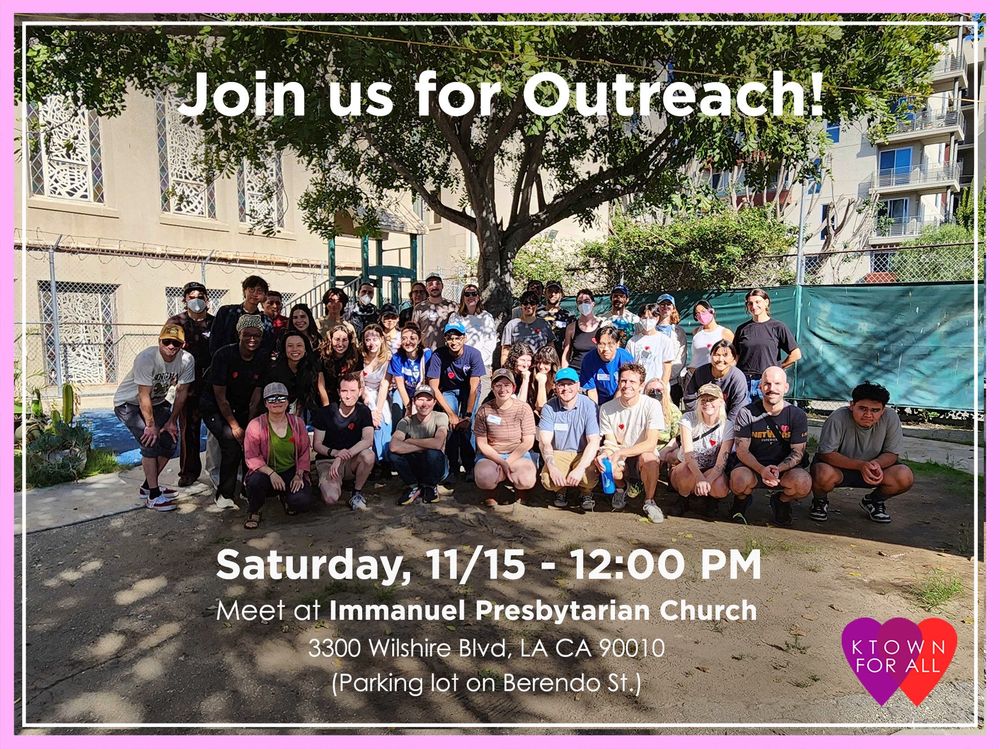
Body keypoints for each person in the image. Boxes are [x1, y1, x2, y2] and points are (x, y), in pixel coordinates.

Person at [113, 323, 195, 511]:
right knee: (150, 440)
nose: (171, 346)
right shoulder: (146, 358)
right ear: (159, 341)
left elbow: (182, 392)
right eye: (167, 342)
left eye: (176, 343)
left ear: (182, 344)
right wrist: (150, 425)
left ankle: (147, 487)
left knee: (170, 442)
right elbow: (143, 395)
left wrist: (172, 421)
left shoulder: (187, 360)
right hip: (129, 403)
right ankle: (154, 495)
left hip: (157, 402)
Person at [810, 381, 914, 524]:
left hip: (874, 469)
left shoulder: (891, 417)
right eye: (862, 408)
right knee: (821, 472)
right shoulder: (838, 417)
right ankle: (820, 501)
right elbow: (826, 453)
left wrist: (875, 464)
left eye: (875, 410)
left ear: (883, 410)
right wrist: (860, 465)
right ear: (852, 405)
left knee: (904, 476)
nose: (868, 414)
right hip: (839, 469)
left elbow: (892, 453)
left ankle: (874, 501)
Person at [201, 315, 270, 509]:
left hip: (242, 405)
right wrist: (235, 426)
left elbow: (256, 395)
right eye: (247, 334)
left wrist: (249, 426)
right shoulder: (223, 355)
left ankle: (246, 487)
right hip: (215, 406)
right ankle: (224, 494)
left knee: (251, 441)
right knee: (231, 443)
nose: (252, 339)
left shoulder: (261, 357)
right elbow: (220, 398)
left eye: (256, 335)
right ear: (239, 334)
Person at [729, 366, 812, 527]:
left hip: (784, 469)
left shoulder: (797, 415)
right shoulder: (746, 413)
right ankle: (741, 501)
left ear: (786, 387)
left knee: (803, 483)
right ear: (760, 387)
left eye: (777, 384)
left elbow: (798, 452)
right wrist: (762, 470)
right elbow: (742, 450)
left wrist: (778, 469)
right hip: (752, 467)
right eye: (766, 384)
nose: (771, 388)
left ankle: (781, 501)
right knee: (738, 481)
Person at [596, 362, 666, 523]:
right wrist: (606, 454)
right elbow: (610, 442)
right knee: (607, 463)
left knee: (650, 460)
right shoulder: (606, 408)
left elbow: (651, 443)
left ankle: (649, 501)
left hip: (641, 452)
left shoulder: (652, 405)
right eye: (623, 381)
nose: (627, 385)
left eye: (632, 382)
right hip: (619, 452)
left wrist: (621, 452)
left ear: (641, 386)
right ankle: (621, 490)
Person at [241, 382, 312, 530]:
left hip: (290, 470)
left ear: (287, 402)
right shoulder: (255, 425)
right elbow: (251, 457)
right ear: (265, 403)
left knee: (302, 501)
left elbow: (305, 451)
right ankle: (254, 511)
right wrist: (271, 473)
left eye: (281, 398)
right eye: (272, 399)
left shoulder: (297, 423)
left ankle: (286, 497)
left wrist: (299, 475)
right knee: (255, 482)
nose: (277, 402)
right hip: (266, 472)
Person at [165, 281, 215, 487]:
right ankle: (188, 471)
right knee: (188, 429)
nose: (197, 301)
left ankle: (218, 470)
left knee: (217, 429)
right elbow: (167, 349)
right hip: (187, 384)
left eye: (201, 297)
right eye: (192, 297)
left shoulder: (215, 322)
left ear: (207, 300)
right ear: (184, 300)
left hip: (212, 384)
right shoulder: (176, 322)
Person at [427, 321, 486, 483]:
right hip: (447, 390)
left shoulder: (473, 354)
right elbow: (434, 387)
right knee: (451, 425)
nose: (454, 342)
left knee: (469, 425)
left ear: (464, 339)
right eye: (450, 338)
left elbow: (474, 387)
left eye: (457, 338)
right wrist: (451, 414)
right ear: (445, 339)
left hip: (468, 390)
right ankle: (452, 467)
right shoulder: (438, 355)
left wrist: (467, 414)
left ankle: (470, 465)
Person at [537, 368, 601, 510]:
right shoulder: (549, 407)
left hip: (583, 452)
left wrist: (580, 469)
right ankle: (561, 490)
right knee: (548, 480)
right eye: (561, 384)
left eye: (570, 384)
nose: (566, 388)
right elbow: (545, 442)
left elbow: (594, 441)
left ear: (578, 385)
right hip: (559, 452)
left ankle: (586, 492)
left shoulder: (589, 405)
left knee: (588, 477)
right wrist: (552, 467)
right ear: (555, 386)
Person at [473, 368, 538, 508]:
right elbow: (481, 443)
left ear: (513, 387)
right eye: (498, 385)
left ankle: (520, 491)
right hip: (491, 454)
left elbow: (528, 441)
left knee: (526, 478)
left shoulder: (524, 408)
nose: (503, 389)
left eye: (507, 385)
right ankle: (491, 493)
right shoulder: (484, 410)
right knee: (484, 477)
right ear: (492, 387)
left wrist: (507, 462)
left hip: (517, 453)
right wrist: (500, 462)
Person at [312, 373, 375, 511]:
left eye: (353, 391)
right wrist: (335, 453)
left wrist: (342, 456)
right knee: (331, 498)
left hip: (352, 460)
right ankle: (327, 483)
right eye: (344, 391)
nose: (348, 395)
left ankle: (356, 492)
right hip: (328, 461)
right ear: (338, 392)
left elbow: (368, 440)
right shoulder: (325, 413)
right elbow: (317, 444)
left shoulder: (364, 411)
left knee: (369, 456)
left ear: (360, 392)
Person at [669, 383, 734, 511]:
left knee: (721, 487)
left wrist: (707, 481)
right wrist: (699, 478)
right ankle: (683, 498)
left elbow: (722, 461)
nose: (707, 403)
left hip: (710, 468)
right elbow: (688, 454)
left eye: (711, 399)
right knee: (686, 470)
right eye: (703, 400)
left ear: (721, 401)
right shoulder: (688, 419)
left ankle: (710, 499)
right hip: (687, 467)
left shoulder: (728, 425)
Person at [733, 288, 802, 400]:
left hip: (766, 383)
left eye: (757, 302)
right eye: (750, 303)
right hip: (743, 382)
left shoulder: (778, 327)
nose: (754, 306)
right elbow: (735, 356)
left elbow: (796, 354)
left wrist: (779, 368)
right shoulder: (742, 329)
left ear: (766, 302)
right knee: (742, 415)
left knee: (764, 416)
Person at [388, 384, 449, 506]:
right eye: (420, 399)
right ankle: (414, 486)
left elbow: (438, 443)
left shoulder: (441, 417)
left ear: (434, 402)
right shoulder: (406, 421)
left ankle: (430, 486)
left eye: (428, 399)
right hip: (416, 464)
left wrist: (410, 441)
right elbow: (394, 446)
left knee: (433, 453)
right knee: (393, 455)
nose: (424, 404)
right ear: (414, 401)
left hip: (436, 466)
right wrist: (425, 446)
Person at [682, 339, 750, 425]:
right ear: (710, 356)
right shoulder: (700, 372)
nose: (721, 359)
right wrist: (700, 418)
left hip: (728, 422)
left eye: (725, 355)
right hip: (701, 419)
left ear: (733, 358)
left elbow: (738, 407)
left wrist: (726, 427)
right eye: (717, 355)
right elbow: (689, 398)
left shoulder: (737, 377)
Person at [264, 330, 325, 418]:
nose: (295, 349)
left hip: (309, 412)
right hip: (280, 414)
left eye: (299, 345)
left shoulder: (314, 366)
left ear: (305, 348)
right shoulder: (274, 370)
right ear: (284, 349)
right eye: (290, 346)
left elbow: (322, 391)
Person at [209, 275, 269, 356]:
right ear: (244, 291)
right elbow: (215, 339)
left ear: (264, 295)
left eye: (259, 291)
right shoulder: (226, 312)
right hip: (225, 360)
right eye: (251, 289)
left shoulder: (265, 320)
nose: (255, 294)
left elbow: (266, 346)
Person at [359, 324, 393, 468]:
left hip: (381, 393)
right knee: (371, 421)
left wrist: (378, 410)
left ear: (381, 339)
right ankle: (374, 461)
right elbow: (361, 385)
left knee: (384, 420)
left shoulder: (387, 359)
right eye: (368, 339)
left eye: (375, 339)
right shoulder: (360, 358)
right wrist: (370, 406)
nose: (371, 343)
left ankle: (385, 459)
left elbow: (385, 384)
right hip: (364, 394)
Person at [448, 283, 498, 371]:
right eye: (467, 294)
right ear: (463, 298)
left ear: (478, 297)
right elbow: (452, 339)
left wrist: (477, 360)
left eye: (474, 294)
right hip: (460, 364)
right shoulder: (455, 317)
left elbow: (490, 343)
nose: (470, 296)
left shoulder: (487, 317)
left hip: (482, 364)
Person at [580, 326, 634, 406]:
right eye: (601, 344)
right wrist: (595, 411)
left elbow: (623, 387)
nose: (606, 349)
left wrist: (612, 408)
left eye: (610, 344)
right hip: (599, 398)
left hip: (621, 396)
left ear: (617, 344)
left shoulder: (625, 358)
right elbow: (591, 390)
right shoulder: (589, 360)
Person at [389, 322, 433, 419]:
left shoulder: (427, 355)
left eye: (412, 338)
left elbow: (430, 381)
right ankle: (396, 429)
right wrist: (408, 407)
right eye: (404, 338)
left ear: (419, 340)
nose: (408, 342)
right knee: (396, 404)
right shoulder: (397, 357)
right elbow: (400, 385)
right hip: (405, 391)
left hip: (422, 390)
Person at [626, 303, 678, 386]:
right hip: (639, 387)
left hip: (657, 386)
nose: (647, 321)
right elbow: (629, 366)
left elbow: (667, 365)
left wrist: (662, 386)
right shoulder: (632, 342)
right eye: (644, 318)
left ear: (657, 318)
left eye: (651, 318)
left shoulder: (665, 340)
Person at [653, 293, 688, 404]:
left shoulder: (679, 332)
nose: (665, 307)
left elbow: (681, 358)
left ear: (673, 308)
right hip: (651, 382)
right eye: (662, 304)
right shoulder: (649, 329)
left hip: (672, 384)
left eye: (668, 304)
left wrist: (666, 377)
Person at [500, 291, 555, 361]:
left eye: (532, 303)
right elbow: (505, 351)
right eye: (525, 303)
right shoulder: (511, 325)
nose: (529, 306)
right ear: (521, 305)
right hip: (518, 366)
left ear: (537, 305)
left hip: (540, 365)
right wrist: (505, 370)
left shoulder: (544, 324)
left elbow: (551, 348)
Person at [317, 322, 361, 405]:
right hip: (327, 396)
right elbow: (321, 385)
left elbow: (357, 382)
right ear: (331, 340)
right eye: (337, 339)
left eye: (344, 340)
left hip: (348, 395)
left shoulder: (356, 356)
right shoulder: (322, 356)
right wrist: (327, 406)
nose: (340, 344)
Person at [412, 273, 457, 350]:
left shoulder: (453, 307)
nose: (434, 286)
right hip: (426, 353)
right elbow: (414, 331)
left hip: (448, 353)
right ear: (426, 288)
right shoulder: (419, 308)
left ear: (442, 286)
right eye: (430, 284)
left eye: (437, 283)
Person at [562, 289, 603, 372]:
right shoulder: (571, 328)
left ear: (593, 304)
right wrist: (564, 374)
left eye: (586, 301)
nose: (583, 304)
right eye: (580, 302)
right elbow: (566, 354)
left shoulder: (602, 326)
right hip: (576, 373)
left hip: (596, 373)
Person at [688, 298, 734, 372]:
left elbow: (734, 357)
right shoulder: (696, 332)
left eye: (703, 311)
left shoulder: (725, 332)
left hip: (713, 377)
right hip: (693, 375)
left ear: (711, 311)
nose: (701, 315)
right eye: (697, 313)